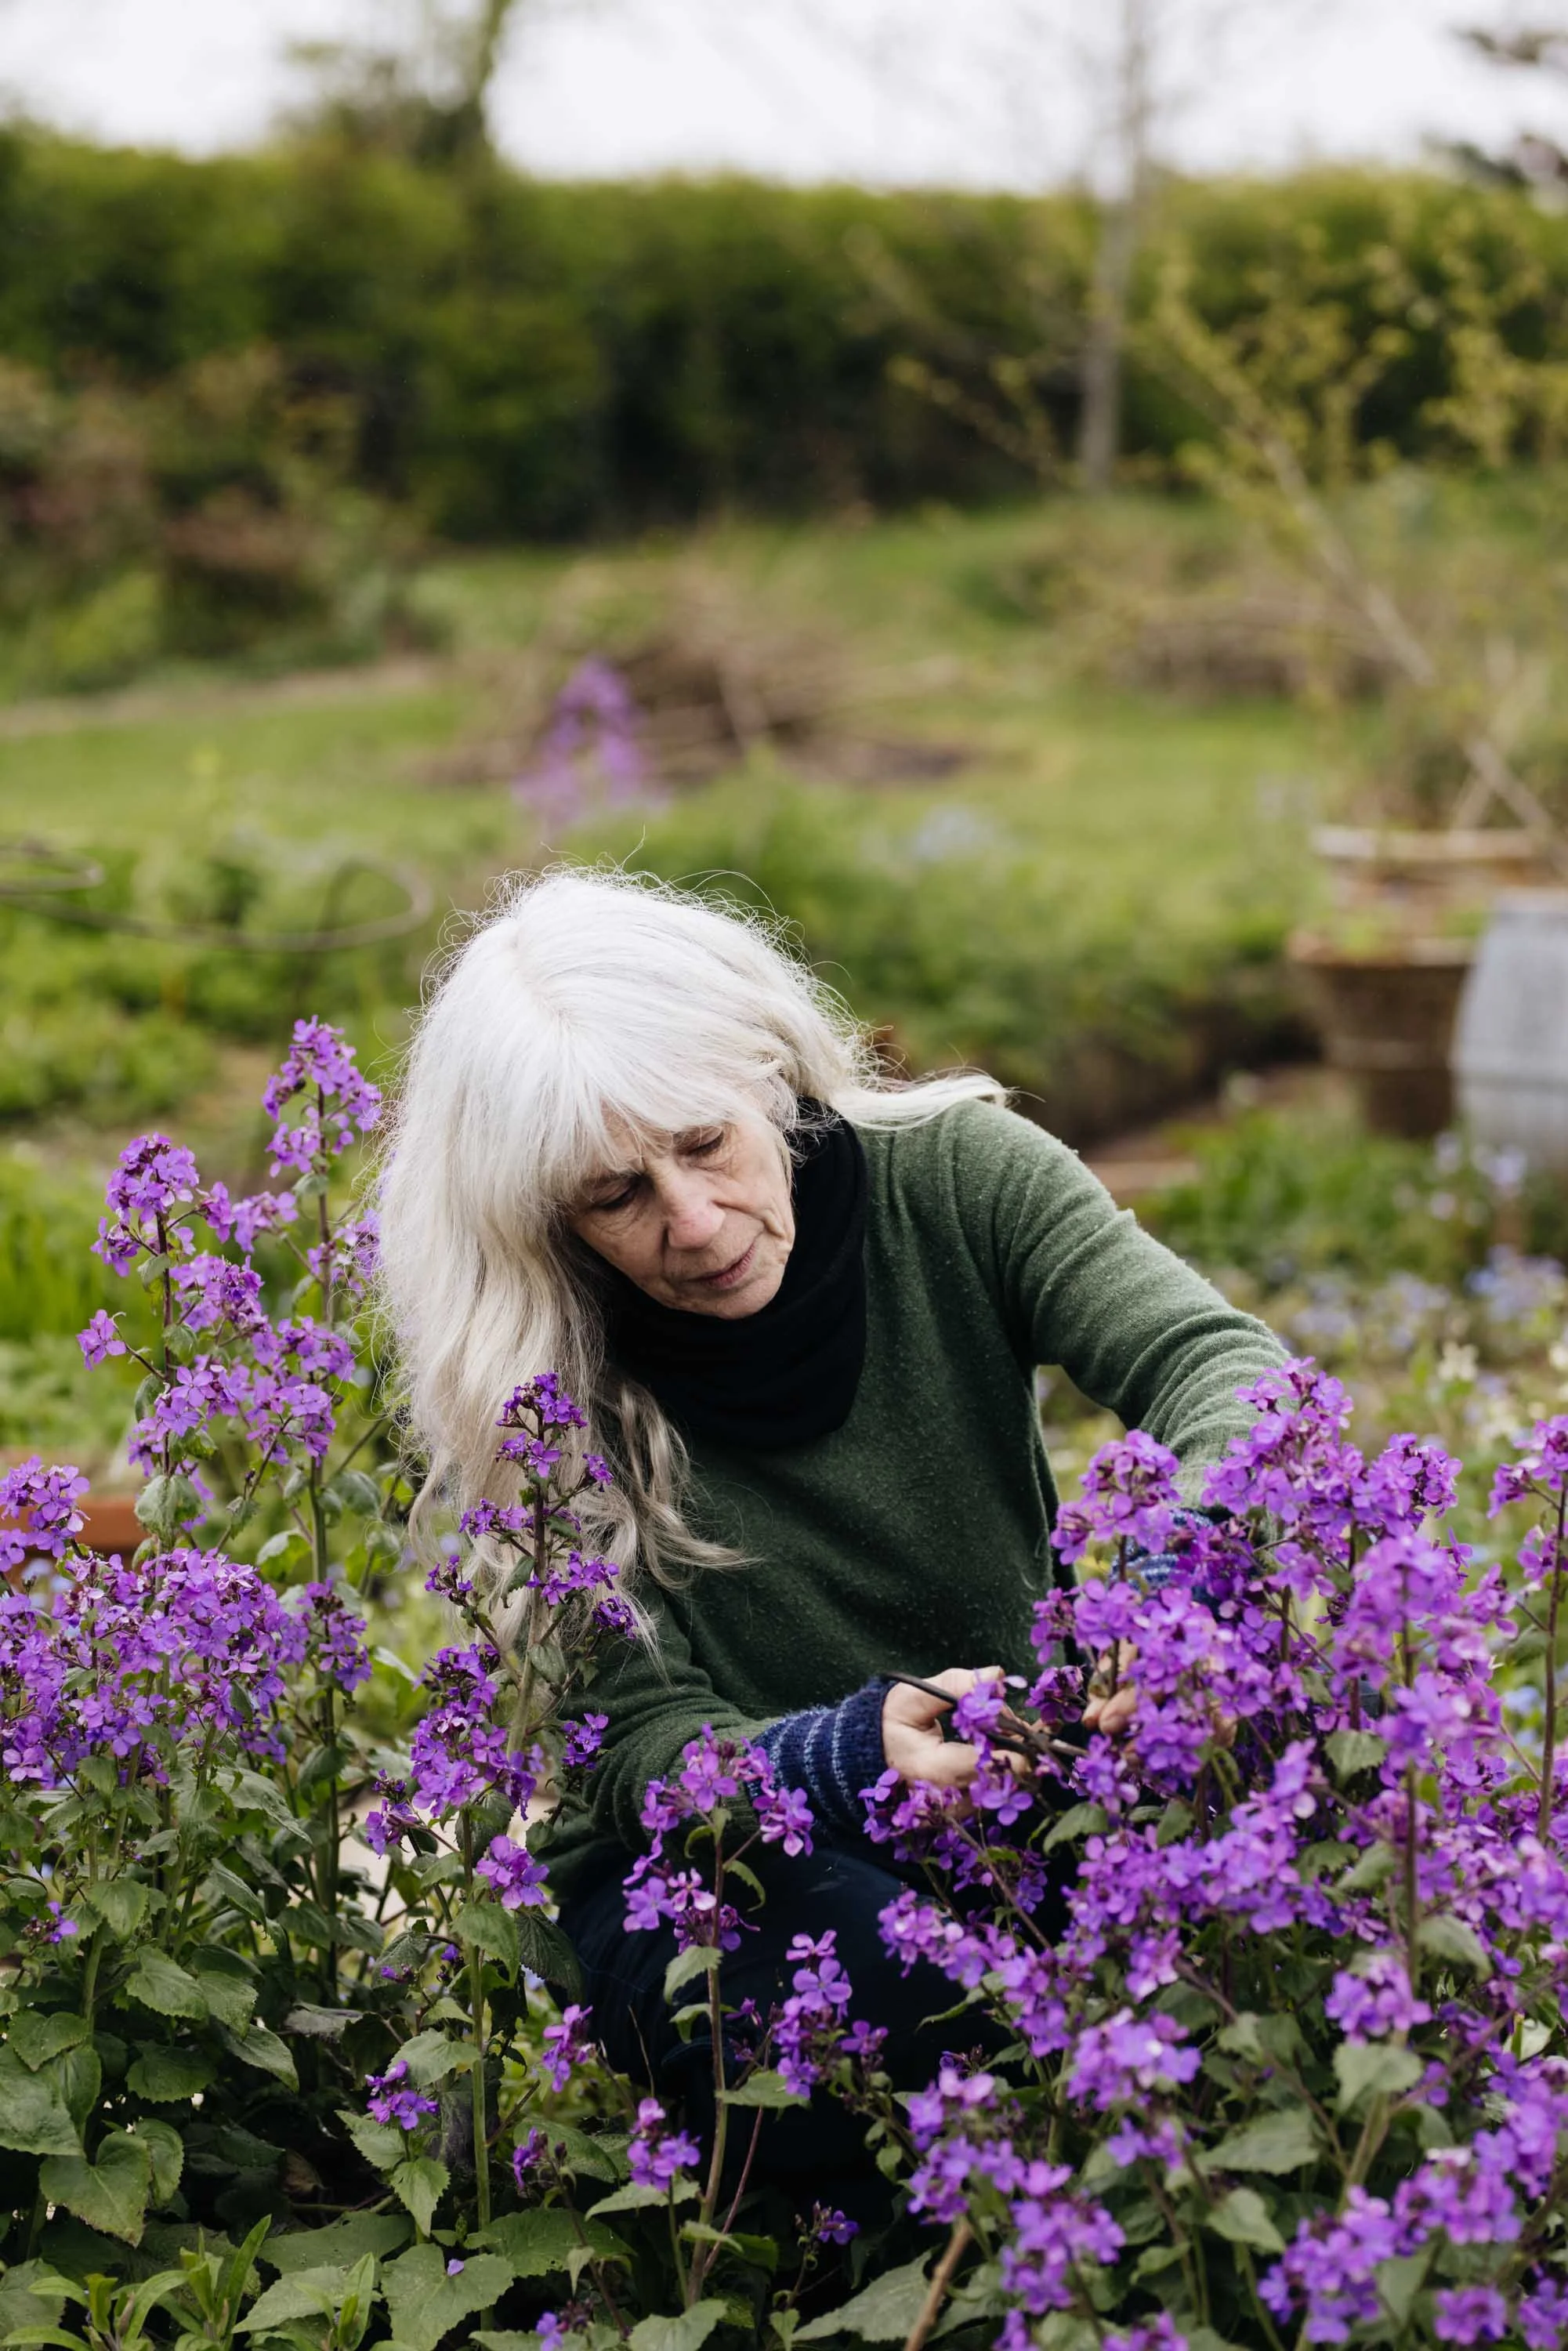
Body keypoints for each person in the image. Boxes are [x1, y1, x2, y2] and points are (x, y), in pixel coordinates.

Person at [377, 866, 1286, 2191]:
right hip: (714, 1874)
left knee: (1312, 1803)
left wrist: (1164, 1605)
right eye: (616, 1196)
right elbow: (635, 1754)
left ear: (769, 1074)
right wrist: (845, 1753)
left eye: (704, 1142)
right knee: (920, 2009)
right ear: (548, 1221)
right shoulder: (533, 1379)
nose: (693, 1224)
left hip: (1001, 1780)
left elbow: (1229, 1375)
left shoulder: (959, 1183)